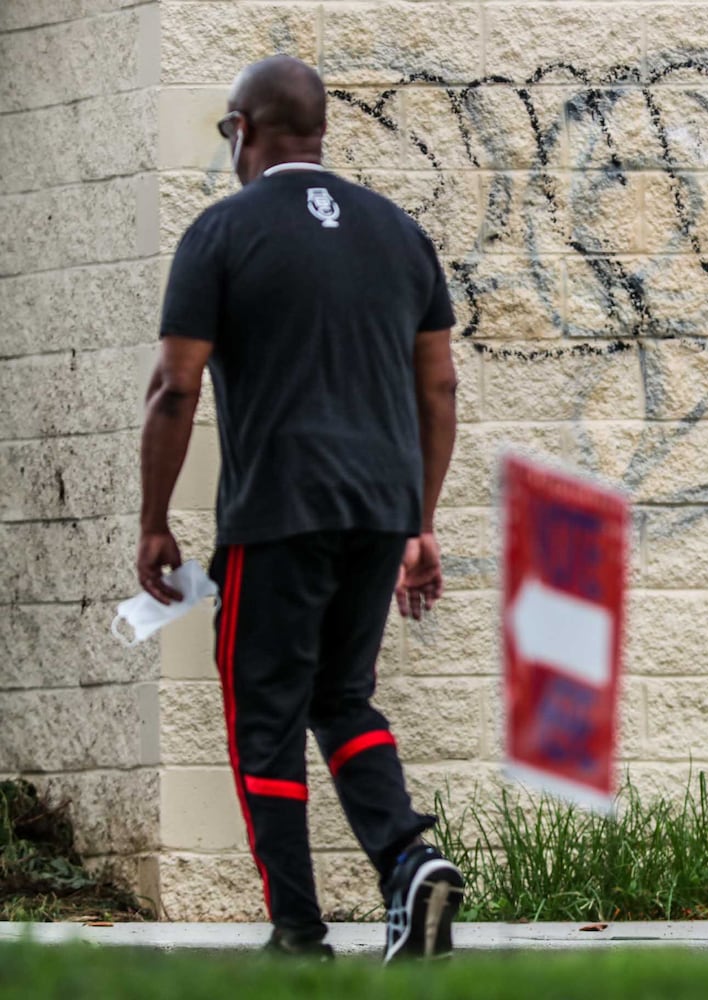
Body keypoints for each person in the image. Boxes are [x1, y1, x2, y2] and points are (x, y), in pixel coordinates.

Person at [135, 55, 464, 962]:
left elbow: (175, 387)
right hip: (380, 511)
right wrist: (419, 522)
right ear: (317, 131)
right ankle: (408, 860)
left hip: (277, 513)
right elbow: (438, 388)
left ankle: (298, 930)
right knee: (340, 694)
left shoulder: (222, 232)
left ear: (243, 129)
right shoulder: (400, 234)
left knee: (262, 714)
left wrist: (154, 520)